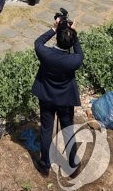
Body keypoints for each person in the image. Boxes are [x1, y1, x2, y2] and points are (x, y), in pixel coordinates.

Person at [31, 16, 84, 176]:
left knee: (46, 130)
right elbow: (79, 51)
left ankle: (45, 165)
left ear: (58, 39)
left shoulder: (46, 54)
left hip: (46, 97)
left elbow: (38, 42)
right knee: (68, 130)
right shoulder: (74, 60)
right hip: (65, 100)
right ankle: (73, 166)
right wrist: (73, 32)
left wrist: (54, 28)